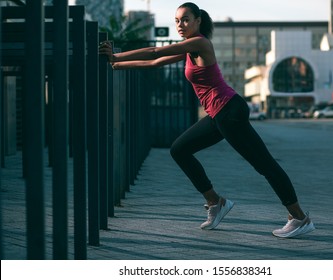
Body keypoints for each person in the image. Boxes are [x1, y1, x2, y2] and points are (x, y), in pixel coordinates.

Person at [99, 2, 315, 238]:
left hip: (229, 112)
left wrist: (116, 54)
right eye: (177, 21)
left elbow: (155, 51)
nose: (180, 25)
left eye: (185, 19)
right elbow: (154, 63)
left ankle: (299, 217)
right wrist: (115, 64)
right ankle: (216, 202)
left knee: (264, 164)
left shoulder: (200, 42)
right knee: (180, 150)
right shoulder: (188, 49)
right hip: (218, 114)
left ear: (198, 20)